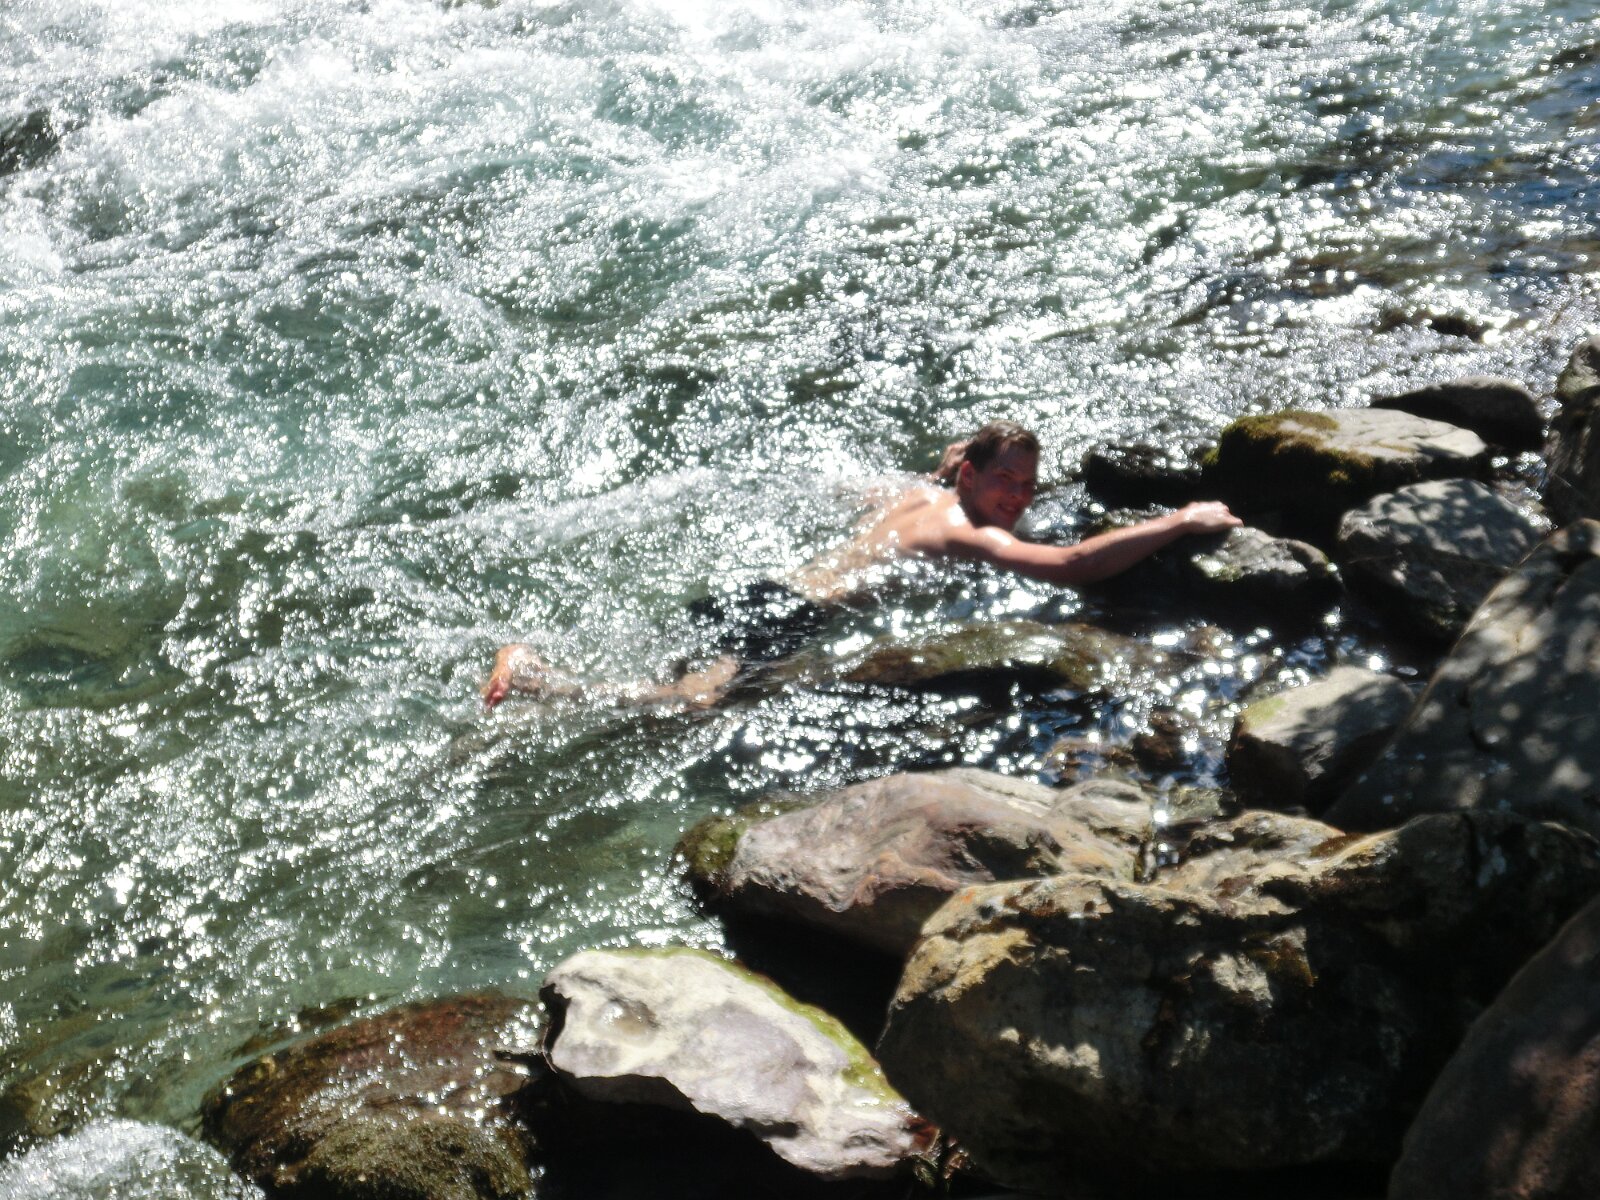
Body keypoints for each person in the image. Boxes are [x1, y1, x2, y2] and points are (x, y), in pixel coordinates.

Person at [482, 420, 1240, 709]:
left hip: (760, 591)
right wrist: (1180, 519)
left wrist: (945, 471)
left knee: (673, 691)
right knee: (688, 706)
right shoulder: (967, 533)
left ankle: (542, 681)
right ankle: (536, 676)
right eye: (1004, 480)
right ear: (971, 476)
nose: (1018, 498)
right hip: (790, 614)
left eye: (1027, 486)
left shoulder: (915, 494)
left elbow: (847, 485)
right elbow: (1069, 564)